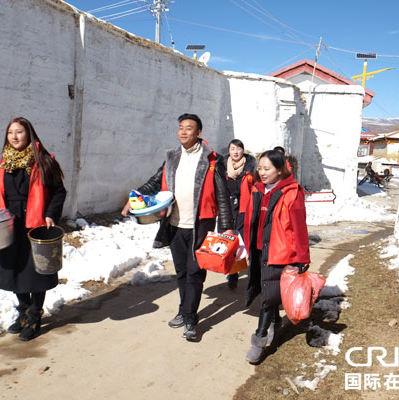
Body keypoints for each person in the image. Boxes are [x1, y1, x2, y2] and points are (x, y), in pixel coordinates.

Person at [121, 113, 234, 341]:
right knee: (182, 272)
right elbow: (155, 181)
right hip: (174, 224)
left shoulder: (212, 160)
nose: (183, 132)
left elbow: (222, 195)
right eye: (181, 127)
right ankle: (184, 311)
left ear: (198, 133)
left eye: (189, 128)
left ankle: (191, 319)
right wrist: (135, 197)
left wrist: (227, 226)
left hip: (199, 226)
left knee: (195, 272)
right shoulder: (172, 157)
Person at [0, 117, 67, 341]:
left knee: (35, 273)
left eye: (19, 132)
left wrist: (51, 214)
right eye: (10, 132)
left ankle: (35, 315)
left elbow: (59, 192)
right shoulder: (5, 163)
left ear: (29, 134)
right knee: (14, 271)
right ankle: (23, 310)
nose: (14, 136)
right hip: (10, 225)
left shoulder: (44, 161)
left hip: (35, 225)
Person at [242, 149, 310, 363]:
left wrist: (302, 256)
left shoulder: (292, 192)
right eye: (260, 168)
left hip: (279, 251)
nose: (261, 173)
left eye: (267, 169)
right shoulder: (257, 189)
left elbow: (299, 226)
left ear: (280, 170)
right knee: (266, 291)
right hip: (258, 249)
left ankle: (259, 340)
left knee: (268, 297)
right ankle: (276, 321)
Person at [219, 139, 257, 289]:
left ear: (243, 151)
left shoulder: (250, 167)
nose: (235, 152)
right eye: (232, 148)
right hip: (227, 207)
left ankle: (252, 271)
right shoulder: (221, 167)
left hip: (244, 207)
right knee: (228, 240)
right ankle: (233, 273)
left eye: (238, 149)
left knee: (243, 240)